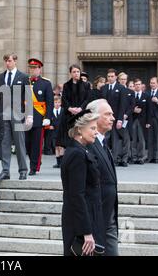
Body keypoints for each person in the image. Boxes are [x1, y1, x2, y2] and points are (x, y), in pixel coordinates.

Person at [60, 110, 105, 256]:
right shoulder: (77, 154)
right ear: (79, 129)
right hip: (79, 225)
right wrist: (86, 232)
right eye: (92, 128)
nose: (96, 132)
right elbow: (76, 195)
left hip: (84, 219)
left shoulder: (80, 150)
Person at [86, 99, 119, 256]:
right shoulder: (87, 146)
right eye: (108, 114)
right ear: (93, 117)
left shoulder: (103, 142)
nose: (112, 117)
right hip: (95, 219)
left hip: (108, 215)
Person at [0, 53, 31, 180]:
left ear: (15, 61)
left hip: (18, 114)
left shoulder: (24, 77)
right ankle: (5, 171)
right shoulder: (0, 78)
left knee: (20, 143)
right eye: (5, 61)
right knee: (5, 143)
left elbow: (28, 97)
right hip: (4, 114)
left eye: (9, 60)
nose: (7, 63)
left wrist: (29, 115)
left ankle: (23, 170)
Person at [25, 58, 54, 176]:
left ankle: (33, 166)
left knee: (36, 144)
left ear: (40, 69)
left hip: (39, 118)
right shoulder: (24, 81)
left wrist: (48, 117)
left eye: (35, 68)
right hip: (26, 117)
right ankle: (35, 160)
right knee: (27, 144)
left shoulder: (46, 83)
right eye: (31, 68)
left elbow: (50, 102)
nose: (32, 70)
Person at [58, 64, 91, 148]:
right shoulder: (66, 85)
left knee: (81, 135)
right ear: (70, 73)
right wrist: (70, 108)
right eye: (74, 72)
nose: (76, 73)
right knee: (69, 136)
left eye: (78, 71)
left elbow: (87, 99)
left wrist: (80, 108)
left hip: (82, 115)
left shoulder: (86, 85)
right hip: (69, 115)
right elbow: (64, 99)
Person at [101, 69, 125, 164]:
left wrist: (120, 119)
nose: (110, 78)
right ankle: (104, 157)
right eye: (109, 76)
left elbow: (122, 105)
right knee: (105, 138)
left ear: (116, 77)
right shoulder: (104, 88)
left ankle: (114, 159)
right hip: (104, 117)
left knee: (115, 139)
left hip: (115, 118)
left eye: (112, 76)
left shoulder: (121, 88)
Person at [131, 79, 148, 164]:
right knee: (133, 139)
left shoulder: (146, 96)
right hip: (133, 119)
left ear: (141, 85)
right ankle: (134, 157)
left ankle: (141, 157)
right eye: (136, 84)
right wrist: (133, 110)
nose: (137, 86)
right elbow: (127, 106)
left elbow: (149, 109)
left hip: (142, 120)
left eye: (139, 84)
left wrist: (148, 122)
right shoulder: (131, 95)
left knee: (141, 139)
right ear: (134, 86)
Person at [51, 96, 64, 168]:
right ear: (53, 103)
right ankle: (58, 162)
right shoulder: (51, 111)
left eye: (59, 102)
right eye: (55, 102)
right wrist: (49, 125)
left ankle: (62, 162)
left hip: (61, 131)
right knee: (56, 147)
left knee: (61, 147)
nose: (57, 104)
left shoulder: (63, 110)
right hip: (54, 132)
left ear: (61, 103)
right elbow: (49, 119)